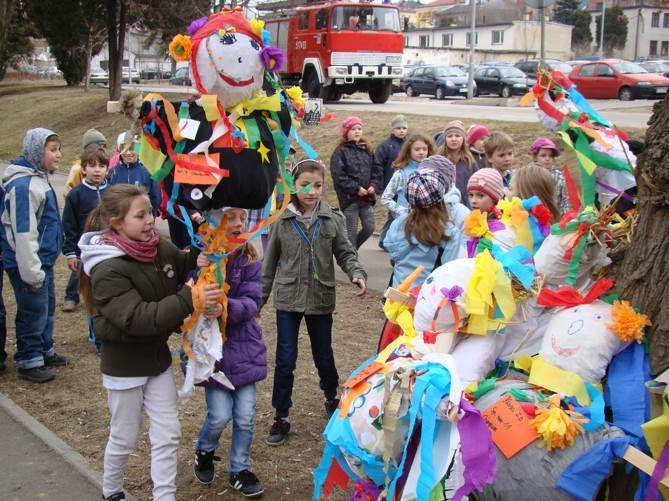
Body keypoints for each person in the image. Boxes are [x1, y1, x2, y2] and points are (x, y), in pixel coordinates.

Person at [78, 184, 222, 501]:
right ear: (117, 223)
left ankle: (164, 496)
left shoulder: (156, 246)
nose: (150, 220)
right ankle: (112, 491)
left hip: (156, 362)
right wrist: (189, 297)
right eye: (140, 215)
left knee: (168, 434)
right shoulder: (107, 269)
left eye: (150, 213)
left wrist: (206, 245)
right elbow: (138, 318)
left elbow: (184, 264)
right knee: (125, 437)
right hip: (125, 368)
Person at [262, 159, 367, 446]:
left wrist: (356, 273)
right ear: (293, 186)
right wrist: (256, 303)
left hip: (320, 299)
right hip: (288, 300)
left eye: (317, 185)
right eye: (304, 185)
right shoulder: (282, 219)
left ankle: (331, 397)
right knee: (285, 359)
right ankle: (281, 415)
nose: (311, 191)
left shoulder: (332, 217)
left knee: (324, 354)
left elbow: (345, 252)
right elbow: (268, 265)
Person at [192, 208, 266, 498]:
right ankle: (205, 450)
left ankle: (239, 469)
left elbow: (252, 302)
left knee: (246, 415)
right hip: (214, 354)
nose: (237, 224)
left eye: (242, 218)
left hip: (244, 349)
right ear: (210, 220)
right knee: (220, 415)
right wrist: (196, 269)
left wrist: (227, 309)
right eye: (229, 217)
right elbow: (186, 291)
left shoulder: (249, 259)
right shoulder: (198, 254)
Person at [0, 128, 69, 383]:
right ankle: (29, 359)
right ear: (35, 151)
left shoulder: (40, 178)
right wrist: (31, 271)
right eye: (52, 150)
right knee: (32, 310)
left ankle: (43, 349)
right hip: (29, 265)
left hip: (44, 263)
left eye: (58, 149)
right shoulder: (23, 185)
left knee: (47, 307)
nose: (58, 155)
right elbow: (24, 231)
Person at [62, 146, 111, 349]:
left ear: (108, 169)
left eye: (101, 166)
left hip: (111, 252)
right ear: (83, 169)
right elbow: (69, 226)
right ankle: (98, 338)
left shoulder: (113, 192)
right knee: (92, 296)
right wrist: (71, 253)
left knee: (109, 294)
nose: (97, 170)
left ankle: (110, 332)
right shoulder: (76, 194)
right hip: (87, 255)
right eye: (91, 166)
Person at [384, 168, 464, 289]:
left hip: (396, 296)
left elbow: (391, 252)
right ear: (441, 196)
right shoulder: (448, 233)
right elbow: (448, 271)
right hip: (424, 300)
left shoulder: (399, 224)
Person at [330, 116, 382, 249]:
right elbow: (338, 175)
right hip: (350, 199)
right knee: (351, 231)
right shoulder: (340, 151)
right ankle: (352, 259)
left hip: (366, 198)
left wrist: (373, 185)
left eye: (359, 128)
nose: (357, 131)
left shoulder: (367, 150)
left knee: (369, 227)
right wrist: (355, 188)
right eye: (353, 129)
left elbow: (377, 170)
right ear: (346, 132)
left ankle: (349, 252)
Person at [380, 131, 434, 243]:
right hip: (405, 225)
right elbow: (386, 198)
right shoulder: (401, 173)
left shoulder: (432, 172)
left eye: (424, 149)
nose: (421, 152)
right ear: (409, 151)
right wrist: (402, 211)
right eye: (417, 149)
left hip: (427, 223)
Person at [375, 115, 409, 249]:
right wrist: (380, 187)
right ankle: (386, 239)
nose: (401, 131)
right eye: (398, 128)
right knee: (394, 215)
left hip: (403, 188)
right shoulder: (384, 146)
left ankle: (384, 239)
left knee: (394, 215)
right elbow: (378, 167)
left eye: (404, 128)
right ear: (392, 129)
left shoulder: (408, 146)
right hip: (389, 187)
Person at [108, 131, 161, 216]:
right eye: (124, 149)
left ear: (137, 149)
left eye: (131, 149)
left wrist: (150, 214)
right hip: (119, 219)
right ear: (120, 150)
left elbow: (156, 196)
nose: (128, 153)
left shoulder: (147, 172)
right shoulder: (112, 173)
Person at [439, 120, 478, 206]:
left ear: (463, 138)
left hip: (464, 204)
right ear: (445, 139)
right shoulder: (439, 160)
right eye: (450, 136)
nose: (453, 139)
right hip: (442, 204)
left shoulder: (470, 161)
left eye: (457, 136)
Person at [529, 137, 569, 215]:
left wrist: (564, 216)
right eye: (543, 156)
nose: (547, 159)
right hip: (534, 217)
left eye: (550, 156)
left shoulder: (558, 176)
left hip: (554, 215)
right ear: (534, 156)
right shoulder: (529, 175)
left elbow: (563, 199)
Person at [64, 128, 107, 199]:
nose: (103, 149)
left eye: (104, 146)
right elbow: (68, 192)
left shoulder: (104, 164)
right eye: (100, 146)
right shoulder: (77, 168)